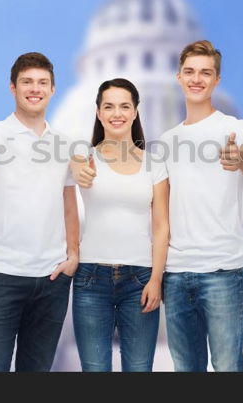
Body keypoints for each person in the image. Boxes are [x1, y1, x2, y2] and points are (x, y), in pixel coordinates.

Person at [0, 52, 79, 372]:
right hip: (2, 274)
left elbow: (68, 202)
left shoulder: (64, 143)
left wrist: (73, 255)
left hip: (52, 278)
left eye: (42, 83)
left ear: (53, 89)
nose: (35, 89)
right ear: (13, 88)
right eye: (27, 82)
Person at [157, 40, 243, 372]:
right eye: (189, 72)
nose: (196, 79)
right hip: (176, 273)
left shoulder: (234, 128)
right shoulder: (167, 141)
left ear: (217, 80)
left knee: (229, 368)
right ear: (179, 77)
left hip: (223, 271)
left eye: (205, 73)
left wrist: (241, 158)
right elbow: (159, 209)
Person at [69, 78, 169, 372]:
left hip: (140, 279)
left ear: (136, 111)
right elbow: (66, 193)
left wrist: (156, 279)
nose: (117, 113)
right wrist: (77, 169)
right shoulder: (83, 158)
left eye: (125, 106)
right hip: (90, 279)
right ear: (98, 113)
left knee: (139, 370)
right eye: (108, 106)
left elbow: (162, 225)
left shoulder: (154, 163)